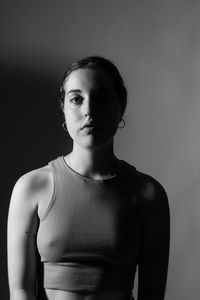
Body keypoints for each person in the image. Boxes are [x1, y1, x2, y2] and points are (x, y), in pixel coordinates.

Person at [7, 56, 170, 300]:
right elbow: (20, 291)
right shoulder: (31, 188)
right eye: (76, 99)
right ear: (63, 107)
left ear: (121, 105)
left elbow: (153, 295)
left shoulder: (148, 194)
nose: (89, 111)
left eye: (102, 98)